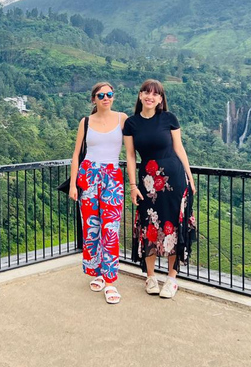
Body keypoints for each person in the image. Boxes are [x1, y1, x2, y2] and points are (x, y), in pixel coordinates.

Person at [122, 79, 196, 298]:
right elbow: (130, 156)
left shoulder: (169, 119)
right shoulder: (131, 123)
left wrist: (189, 178)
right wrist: (133, 186)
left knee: (173, 226)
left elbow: (179, 148)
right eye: (146, 92)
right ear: (140, 95)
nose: (150, 96)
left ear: (160, 99)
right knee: (149, 227)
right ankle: (151, 277)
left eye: (155, 94)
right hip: (147, 184)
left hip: (174, 179)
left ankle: (172, 278)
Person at [68, 82, 131, 304]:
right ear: (93, 99)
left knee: (111, 228)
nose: (106, 98)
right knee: (91, 226)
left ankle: (110, 280)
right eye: (101, 95)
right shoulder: (85, 122)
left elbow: (131, 152)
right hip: (88, 174)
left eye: (109, 94)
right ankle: (95, 272)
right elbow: (76, 154)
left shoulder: (122, 118)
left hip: (112, 175)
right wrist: (74, 184)